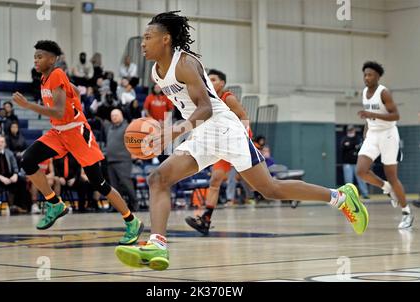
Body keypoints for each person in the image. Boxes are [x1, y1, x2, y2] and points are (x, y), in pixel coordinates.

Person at [115, 11, 369, 271]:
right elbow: (193, 112)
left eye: (148, 37)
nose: (143, 43)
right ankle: (158, 244)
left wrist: (171, 132)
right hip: (202, 133)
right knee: (158, 178)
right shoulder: (157, 73)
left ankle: (340, 197)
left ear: (166, 39)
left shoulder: (184, 64)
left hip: (224, 129)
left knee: (270, 189)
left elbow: (206, 108)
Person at [12, 40, 143, 245]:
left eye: (40, 56)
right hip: (59, 132)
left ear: (53, 59)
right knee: (27, 159)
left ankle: (132, 220)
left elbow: (57, 110)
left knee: (99, 183)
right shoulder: (46, 78)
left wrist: (28, 105)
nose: (36, 60)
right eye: (35, 56)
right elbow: (71, 94)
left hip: (77, 133)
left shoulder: (56, 74)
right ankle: (55, 204)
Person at [185, 68, 252, 234]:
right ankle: (206, 219)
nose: (210, 82)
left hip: (238, 143)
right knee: (214, 181)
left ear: (222, 83)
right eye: (209, 79)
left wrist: (244, 141)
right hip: (221, 146)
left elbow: (244, 118)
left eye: (213, 79)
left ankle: (289, 194)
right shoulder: (206, 100)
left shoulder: (228, 98)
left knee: (261, 186)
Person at [356, 61, 413, 229]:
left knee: (392, 175)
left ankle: (406, 213)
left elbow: (396, 116)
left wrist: (372, 114)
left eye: (370, 75)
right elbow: (368, 117)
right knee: (360, 171)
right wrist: (366, 131)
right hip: (373, 134)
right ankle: (387, 188)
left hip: (388, 134)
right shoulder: (365, 92)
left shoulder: (384, 93)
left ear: (378, 77)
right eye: (365, 74)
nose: (366, 78)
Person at [105, 109, 138, 211]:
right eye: (112, 115)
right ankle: (117, 206)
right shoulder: (109, 128)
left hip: (123, 160)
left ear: (121, 116)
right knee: (114, 187)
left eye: (116, 115)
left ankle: (134, 203)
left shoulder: (127, 127)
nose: (114, 117)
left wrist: (134, 153)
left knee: (126, 183)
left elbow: (134, 140)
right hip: (110, 160)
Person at [340, 125, 369, 199]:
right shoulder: (345, 138)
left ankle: (365, 194)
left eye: (352, 130)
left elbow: (360, 147)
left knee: (361, 179)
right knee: (348, 180)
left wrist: (351, 146)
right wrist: (353, 146)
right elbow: (344, 147)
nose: (351, 131)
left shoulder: (358, 138)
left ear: (354, 130)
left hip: (357, 163)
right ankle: (349, 195)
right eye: (349, 130)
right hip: (347, 163)